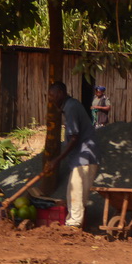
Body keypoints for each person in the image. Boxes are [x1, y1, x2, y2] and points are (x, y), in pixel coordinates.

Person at [46, 81, 100, 228]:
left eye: (52, 95)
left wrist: (57, 160)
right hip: (81, 157)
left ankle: (74, 224)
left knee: (76, 191)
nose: (50, 98)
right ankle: (73, 222)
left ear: (62, 94)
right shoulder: (70, 106)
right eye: (49, 95)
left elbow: (74, 137)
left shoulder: (71, 107)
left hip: (85, 156)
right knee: (73, 191)